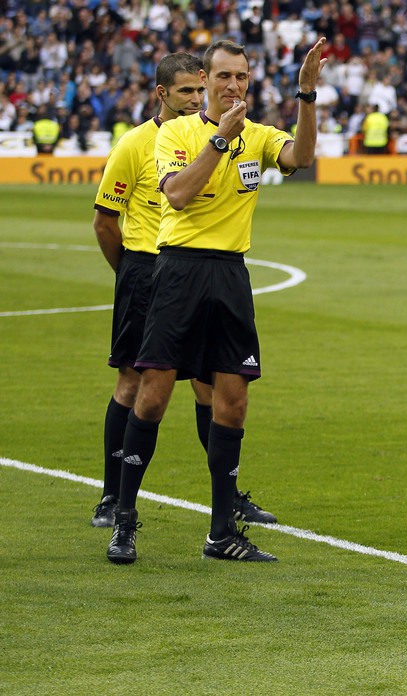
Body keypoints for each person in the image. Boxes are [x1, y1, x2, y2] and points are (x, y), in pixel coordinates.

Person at [106, 37, 328, 565]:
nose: (233, 87)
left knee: (233, 400)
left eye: (242, 78)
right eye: (224, 77)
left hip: (230, 275)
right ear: (204, 81)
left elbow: (301, 155)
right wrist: (220, 142)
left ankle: (222, 531)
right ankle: (124, 519)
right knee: (154, 395)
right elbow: (178, 193)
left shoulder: (257, 135)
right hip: (179, 270)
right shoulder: (176, 133)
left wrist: (307, 95)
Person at [91, 53, 277, 532]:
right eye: (188, 93)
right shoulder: (139, 143)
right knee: (137, 384)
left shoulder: (227, 134)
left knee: (210, 387)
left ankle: (226, 500)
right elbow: (105, 220)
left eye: (199, 91)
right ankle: (114, 498)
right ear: (163, 95)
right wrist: (128, 275)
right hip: (152, 269)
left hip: (203, 268)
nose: (196, 99)